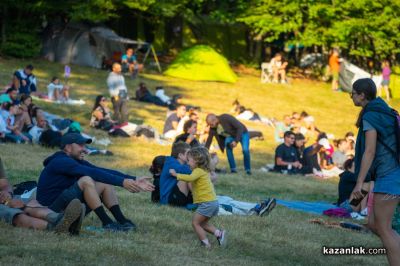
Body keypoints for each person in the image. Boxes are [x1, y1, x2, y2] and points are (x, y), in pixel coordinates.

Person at [37, 132, 154, 231]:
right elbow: (92, 173)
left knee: (104, 182)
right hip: (52, 209)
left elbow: (100, 171)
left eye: (84, 146)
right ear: (68, 147)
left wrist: (133, 179)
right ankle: (107, 222)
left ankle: (122, 221)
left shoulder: (75, 160)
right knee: (86, 180)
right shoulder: (61, 161)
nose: (85, 149)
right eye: (81, 145)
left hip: (69, 204)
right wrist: (122, 182)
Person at [350, 78, 400, 265]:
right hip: (391, 174)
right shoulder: (384, 111)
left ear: (362, 95)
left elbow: (369, 151)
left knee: (384, 228)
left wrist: (359, 182)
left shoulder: (371, 116)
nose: (351, 97)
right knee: (374, 224)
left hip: (390, 175)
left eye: (352, 93)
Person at [0, 157, 84, 234]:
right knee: (13, 214)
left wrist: (7, 192)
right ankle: (55, 228)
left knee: (30, 202)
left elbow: (4, 183)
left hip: (4, 198)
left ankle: (59, 218)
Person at [169, 147, 226, 248]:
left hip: (207, 203)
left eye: (189, 160)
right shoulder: (202, 171)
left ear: (196, 161)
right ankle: (219, 234)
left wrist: (175, 174)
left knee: (195, 223)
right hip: (212, 203)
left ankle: (205, 243)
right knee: (202, 223)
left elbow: (189, 178)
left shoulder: (198, 171)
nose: (187, 163)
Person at [160, 142, 192, 206]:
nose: (191, 156)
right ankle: (198, 201)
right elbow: (186, 170)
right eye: (188, 154)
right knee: (187, 178)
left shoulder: (183, 164)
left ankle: (200, 200)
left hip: (177, 195)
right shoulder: (171, 163)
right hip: (167, 200)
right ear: (180, 155)